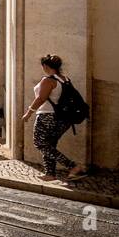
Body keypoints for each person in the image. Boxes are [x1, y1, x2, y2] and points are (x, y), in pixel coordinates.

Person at [22, 53, 88, 183]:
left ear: (45, 66)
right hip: (63, 119)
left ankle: (73, 166)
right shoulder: (65, 79)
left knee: (40, 143)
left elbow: (41, 98)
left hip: (47, 116)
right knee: (50, 144)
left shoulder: (48, 80)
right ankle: (50, 174)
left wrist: (28, 113)